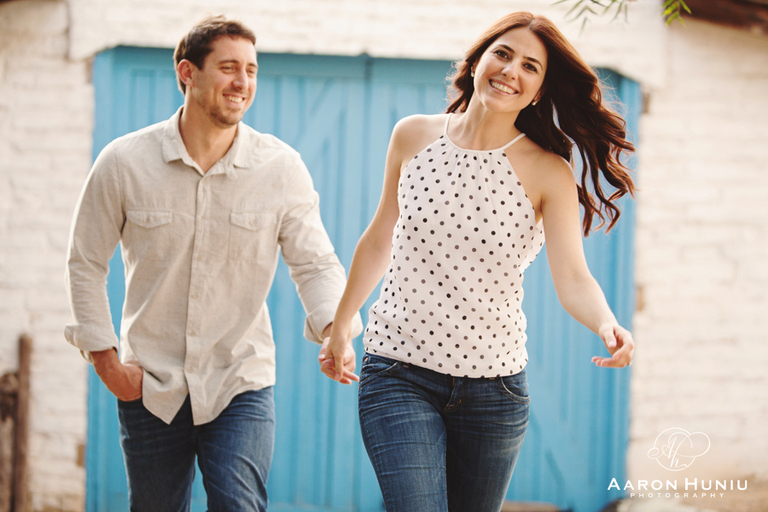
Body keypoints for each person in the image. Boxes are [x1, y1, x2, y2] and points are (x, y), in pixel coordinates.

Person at [319, 11, 635, 512]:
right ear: (477, 62)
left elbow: (574, 277)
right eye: (503, 54)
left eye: (530, 67)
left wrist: (607, 323)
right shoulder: (413, 136)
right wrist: (340, 327)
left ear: (538, 91)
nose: (512, 71)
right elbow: (380, 235)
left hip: (495, 390)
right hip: (399, 370)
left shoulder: (548, 171)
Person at [65, 15, 361, 512]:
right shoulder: (123, 162)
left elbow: (314, 263)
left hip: (238, 379)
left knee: (238, 505)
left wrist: (336, 326)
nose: (243, 83)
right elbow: (85, 262)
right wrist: (106, 361)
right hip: (152, 385)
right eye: (228, 68)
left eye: (251, 69)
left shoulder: (280, 168)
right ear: (188, 73)